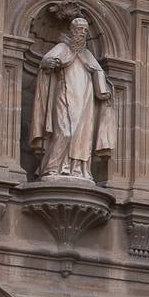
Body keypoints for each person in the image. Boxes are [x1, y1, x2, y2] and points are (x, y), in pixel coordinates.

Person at [29, 16, 115, 180]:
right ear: (71, 30)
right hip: (64, 95)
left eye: (84, 30)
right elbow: (46, 61)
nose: (81, 33)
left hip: (85, 99)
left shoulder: (87, 54)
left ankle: (77, 169)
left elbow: (98, 72)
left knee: (82, 135)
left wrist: (103, 91)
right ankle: (52, 167)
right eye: (78, 29)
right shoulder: (62, 47)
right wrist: (49, 63)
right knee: (65, 131)